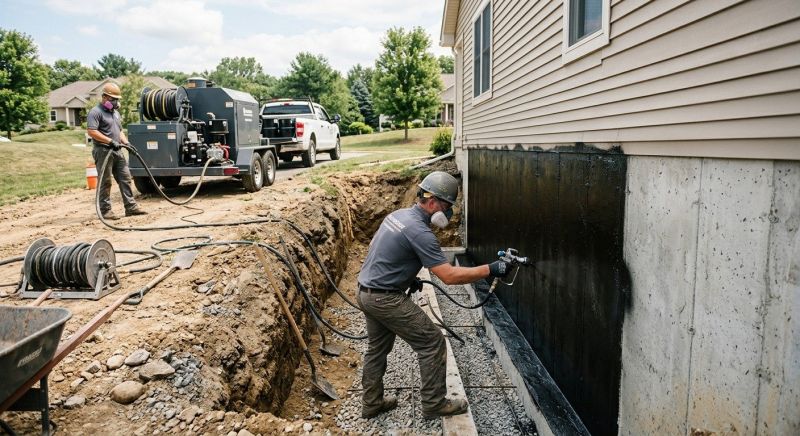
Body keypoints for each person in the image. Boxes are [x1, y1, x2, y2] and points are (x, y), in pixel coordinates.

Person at [357, 171, 512, 419]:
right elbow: (449, 276)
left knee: (377, 349)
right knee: (431, 342)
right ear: (431, 202)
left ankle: (371, 403)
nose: (449, 212)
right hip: (385, 299)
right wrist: (491, 269)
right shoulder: (420, 232)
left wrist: (406, 277)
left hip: (366, 292)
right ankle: (434, 404)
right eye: (447, 206)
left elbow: (384, 253)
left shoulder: (399, 216)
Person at [86, 82, 146, 220]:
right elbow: (92, 131)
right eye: (113, 99)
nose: (116, 102)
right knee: (105, 181)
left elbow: (119, 131)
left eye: (117, 99)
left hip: (117, 150)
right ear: (105, 98)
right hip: (103, 151)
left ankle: (131, 207)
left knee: (125, 178)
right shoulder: (95, 112)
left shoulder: (116, 113)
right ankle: (105, 211)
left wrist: (126, 143)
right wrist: (109, 141)